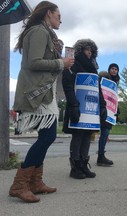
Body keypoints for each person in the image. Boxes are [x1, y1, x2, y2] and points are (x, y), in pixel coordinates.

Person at [9, 1, 75, 203]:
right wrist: (60, 63)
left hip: (44, 93)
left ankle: (35, 182)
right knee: (47, 137)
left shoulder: (45, 33)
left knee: (47, 136)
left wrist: (59, 58)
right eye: (58, 16)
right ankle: (20, 185)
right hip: (36, 93)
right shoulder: (38, 31)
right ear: (48, 14)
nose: (60, 20)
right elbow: (32, 62)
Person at [62, 39, 107, 179]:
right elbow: (67, 84)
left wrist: (103, 105)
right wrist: (74, 105)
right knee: (78, 135)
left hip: (91, 109)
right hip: (77, 106)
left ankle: (83, 164)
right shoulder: (73, 64)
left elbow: (98, 89)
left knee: (87, 135)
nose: (89, 52)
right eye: (87, 50)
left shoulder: (94, 68)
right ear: (81, 50)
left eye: (91, 50)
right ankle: (75, 167)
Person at [96, 63, 120, 166]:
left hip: (110, 111)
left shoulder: (116, 83)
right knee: (104, 133)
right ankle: (100, 156)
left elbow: (114, 98)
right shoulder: (104, 79)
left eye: (116, 69)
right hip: (102, 109)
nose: (114, 71)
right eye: (112, 69)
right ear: (109, 70)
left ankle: (101, 155)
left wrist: (116, 110)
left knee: (105, 134)